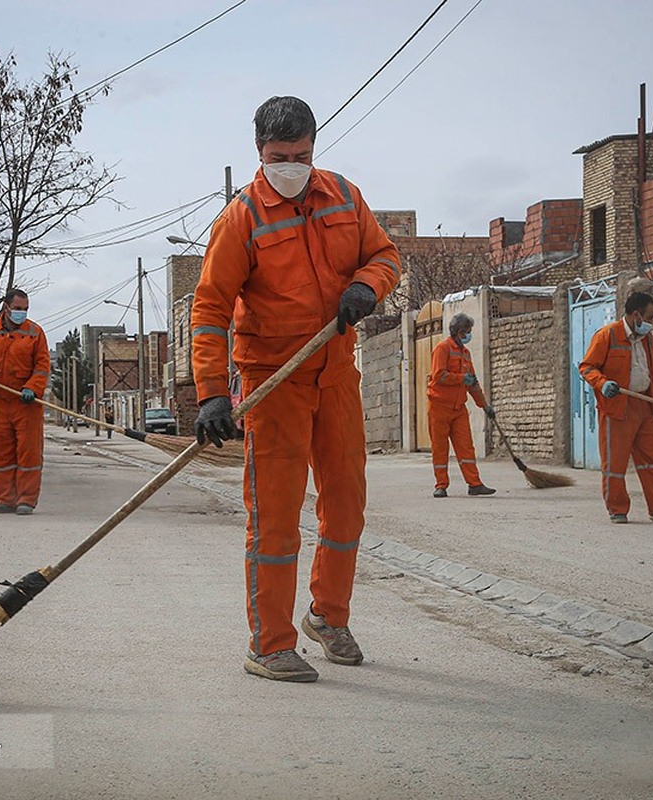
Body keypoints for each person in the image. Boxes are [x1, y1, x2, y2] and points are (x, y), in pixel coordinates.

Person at [190, 96, 401, 683]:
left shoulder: (343, 196)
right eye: (280, 157)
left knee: (346, 505)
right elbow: (208, 308)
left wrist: (367, 286)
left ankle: (328, 617)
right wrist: (212, 394)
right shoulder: (240, 220)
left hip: (334, 373)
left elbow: (385, 255)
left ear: (315, 147)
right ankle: (271, 642)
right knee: (277, 518)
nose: (292, 165)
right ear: (259, 152)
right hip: (272, 382)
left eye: (302, 155)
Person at [578, 291, 653, 524]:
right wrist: (603, 383)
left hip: (645, 405)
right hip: (617, 409)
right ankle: (617, 509)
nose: (651, 322)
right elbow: (587, 367)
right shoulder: (607, 335)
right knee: (615, 464)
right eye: (649, 317)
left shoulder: (648, 340)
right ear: (636, 315)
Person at [0, 288, 50, 516]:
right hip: (0, 403)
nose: (21, 313)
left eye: (25, 310)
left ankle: (26, 499)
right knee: (1, 453)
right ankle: (5, 499)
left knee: (28, 453)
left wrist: (32, 388)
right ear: (6, 307)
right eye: (17, 309)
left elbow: (42, 366)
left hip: (27, 404)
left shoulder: (35, 333)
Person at [426, 313, 496, 498]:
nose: (468, 335)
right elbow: (438, 376)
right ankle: (441, 485)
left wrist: (484, 406)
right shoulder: (442, 349)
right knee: (440, 448)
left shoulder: (465, 353)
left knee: (466, 447)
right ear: (458, 332)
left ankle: (474, 484)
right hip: (439, 407)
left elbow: (472, 383)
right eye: (467, 332)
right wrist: (460, 378)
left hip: (458, 409)